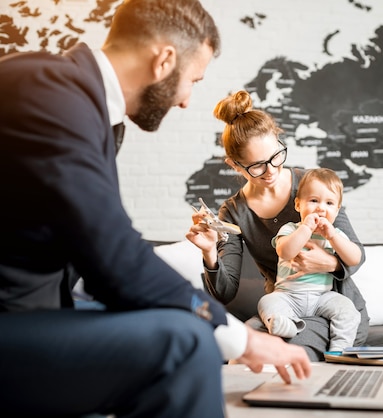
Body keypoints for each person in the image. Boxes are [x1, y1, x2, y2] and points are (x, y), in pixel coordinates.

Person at [0, 1, 310, 417]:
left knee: (192, 326)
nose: (185, 101)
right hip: (16, 315)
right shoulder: (51, 97)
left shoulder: (72, 97)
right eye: (192, 81)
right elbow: (114, 258)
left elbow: (101, 260)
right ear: (164, 60)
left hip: (35, 307)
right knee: (186, 343)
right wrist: (244, 339)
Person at [187, 90, 370, 360]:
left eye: (276, 156)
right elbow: (225, 292)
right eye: (257, 166)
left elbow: (357, 256)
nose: (271, 170)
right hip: (284, 307)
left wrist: (329, 264)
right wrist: (209, 252)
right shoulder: (234, 212)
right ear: (235, 165)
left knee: (285, 352)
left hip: (332, 310)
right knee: (241, 346)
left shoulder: (313, 185)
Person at [259, 168, 362, 351]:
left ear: (337, 210)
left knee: (348, 310)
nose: (321, 208)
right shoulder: (290, 229)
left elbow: (354, 258)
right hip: (288, 296)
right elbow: (285, 252)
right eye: (314, 201)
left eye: (329, 203)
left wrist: (333, 237)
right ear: (298, 205)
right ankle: (288, 325)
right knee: (267, 302)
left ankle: (340, 349)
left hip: (322, 297)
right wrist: (306, 228)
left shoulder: (335, 235)